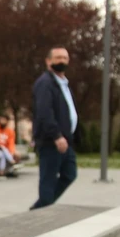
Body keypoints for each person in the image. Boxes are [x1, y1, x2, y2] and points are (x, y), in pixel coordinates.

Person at [31, 46, 82, 209]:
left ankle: (40, 209)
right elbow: (44, 113)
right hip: (51, 142)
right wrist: (56, 136)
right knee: (47, 185)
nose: (62, 61)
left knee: (70, 174)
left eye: (65, 58)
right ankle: (37, 215)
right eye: (58, 58)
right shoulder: (45, 83)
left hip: (66, 141)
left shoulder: (64, 84)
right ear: (48, 61)